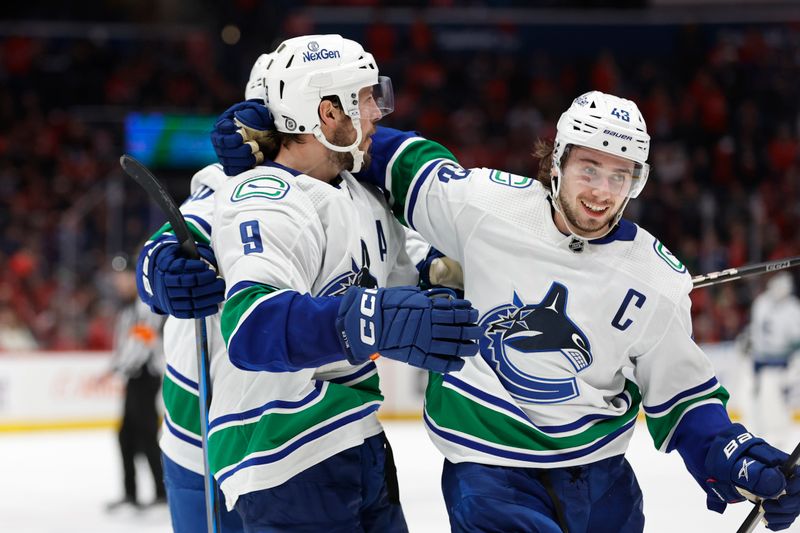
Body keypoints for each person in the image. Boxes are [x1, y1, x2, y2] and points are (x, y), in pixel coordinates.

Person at [212, 90, 800, 532]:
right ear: (557, 161)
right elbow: (386, 156)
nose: (600, 192)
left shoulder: (656, 276)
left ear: (637, 182)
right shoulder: (484, 207)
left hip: (602, 483)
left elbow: (682, 395)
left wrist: (731, 454)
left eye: (619, 176)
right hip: (490, 473)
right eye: (588, 169)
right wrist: (287, 132)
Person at [137, 34, 480, 532]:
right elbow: (183, 241)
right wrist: (161, 266)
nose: (377, 113)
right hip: (212, 431)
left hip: (320, 430)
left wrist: (440, 275)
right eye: (364, 99)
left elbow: (398, 259)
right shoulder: (236, 187)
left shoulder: (356, 189)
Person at [101, 260, 167, 512]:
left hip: (144, 377)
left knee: (147, 435)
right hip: (135, 377)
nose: (119, 283)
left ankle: (160, 493)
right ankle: (131, 493)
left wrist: (117, 368)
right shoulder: (129, 308)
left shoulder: (144, 307)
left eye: (123, 277)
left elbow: (143, 342)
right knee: (126, 436)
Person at [748, 272, 800, 445]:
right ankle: (762, 432)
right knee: (762, 398)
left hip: (786, 362)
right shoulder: (762, 303)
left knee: (785, 400)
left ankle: (786, 432)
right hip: (763, 361)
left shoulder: (792, 306)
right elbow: (756, 331)